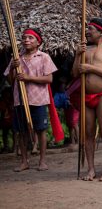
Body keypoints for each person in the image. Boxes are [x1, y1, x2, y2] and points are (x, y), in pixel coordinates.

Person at [72, 18, 102, 181]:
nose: (87, 31)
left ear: (101, 32)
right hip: (86, 96)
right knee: (88, 133)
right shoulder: (85, 49)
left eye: (91, 29)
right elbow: (75, 73)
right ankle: (91, 170)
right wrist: (78, 56)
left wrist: (90, 68)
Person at [4, 28, 58, 172]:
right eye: (24, 38)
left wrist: (29, 78)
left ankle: (42, 161)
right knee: (21, 131)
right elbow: (11, 80)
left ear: (38, 42)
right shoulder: (17, 58)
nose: (26, 40)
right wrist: (13, 69)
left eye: (30, 38)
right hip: (20, 99)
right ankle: (24, 162)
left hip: (38, 99)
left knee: (41, 130)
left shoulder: (44, 57)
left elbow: (49, 79)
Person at [0, 86, 14, 153]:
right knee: (5, 134)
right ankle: (6, 147)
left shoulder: (13, 100)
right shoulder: (2, 101)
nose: (7, 94)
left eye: (8, 93)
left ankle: (15, 147)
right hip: (4, 121)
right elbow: (2, 108)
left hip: (12, 120)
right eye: (6, 93)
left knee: (14, 133)